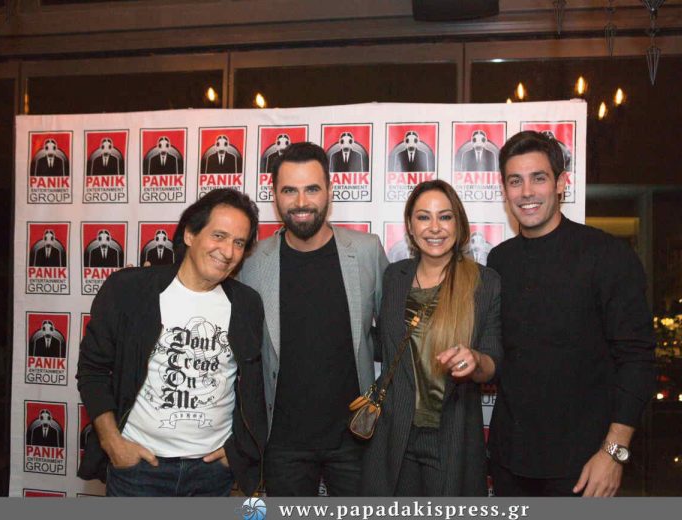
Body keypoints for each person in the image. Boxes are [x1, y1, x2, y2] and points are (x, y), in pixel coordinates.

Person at [487, 131, 656, 497]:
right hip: (509, 461)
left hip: (584, 467)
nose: (526, 192)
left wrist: (614, 453)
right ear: (504, 190)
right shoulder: (499, 261)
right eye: (515, 181)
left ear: (561, 183)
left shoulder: (607, 255)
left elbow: (637, 359)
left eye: (539, 178)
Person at [77, 188, 267, 497]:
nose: (227, 251)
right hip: (139, 470)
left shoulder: (247, 304)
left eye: (239, 242)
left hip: (212, 474)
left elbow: (254, 387)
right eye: (219, 236)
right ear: (190, 234)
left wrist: (236, 452)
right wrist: (113, 443)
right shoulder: (130, 289)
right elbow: (93, 370)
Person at [239, 141, 387, 496]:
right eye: (289, 190)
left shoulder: (366, 251)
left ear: (330, 192)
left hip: (356, 437)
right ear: (274, 195)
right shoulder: (252, 262)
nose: (301, 202)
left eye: (312, 189)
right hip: (282, 443)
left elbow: (395, 335)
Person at [361, 179, 502, 496]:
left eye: (445, 216)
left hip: (451, 436)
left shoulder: (484, 282)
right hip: (394, 436)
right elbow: (384, 346)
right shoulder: (394, 277)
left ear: (458, 223)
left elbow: (494, 361)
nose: (435, 227)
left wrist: (476, 360)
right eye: (424, 217)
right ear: (410, 227)